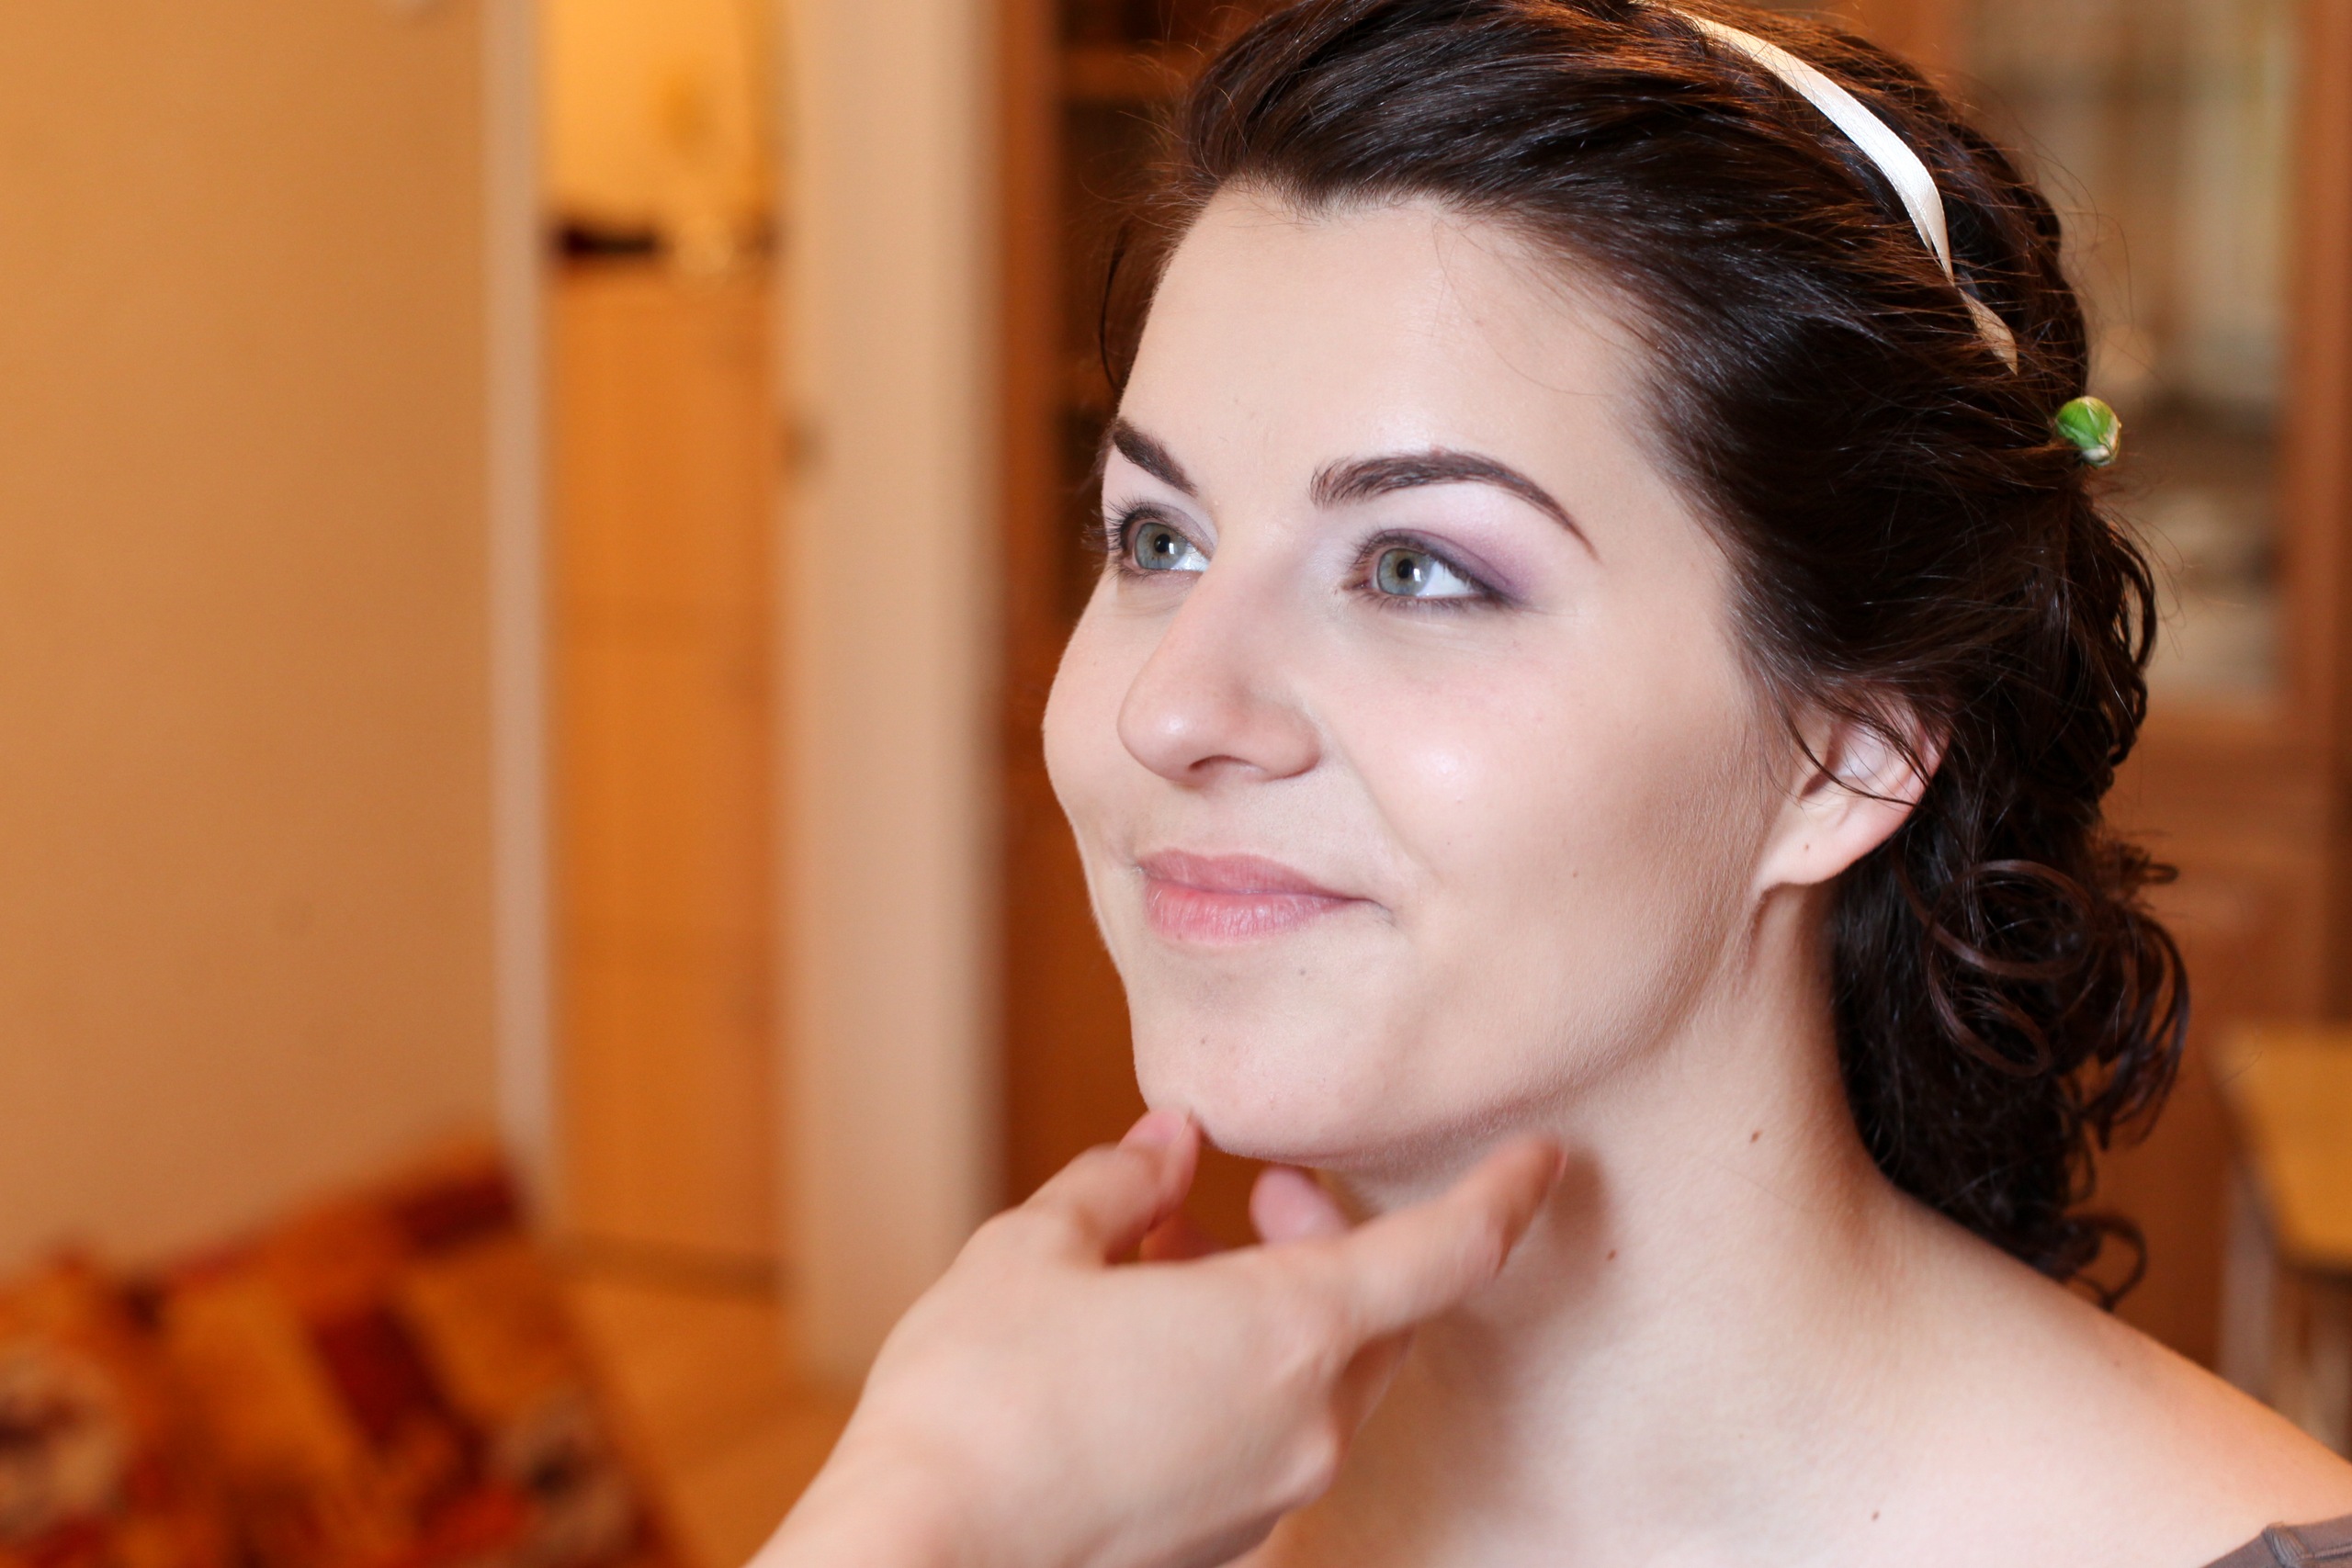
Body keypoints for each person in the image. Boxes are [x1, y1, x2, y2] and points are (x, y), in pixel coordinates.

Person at [763, 2, 2352, 1563]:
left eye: (1415, 567)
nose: (1170, 708)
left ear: (1853, 746)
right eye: (1158, 540)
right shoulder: (1077, 1515)